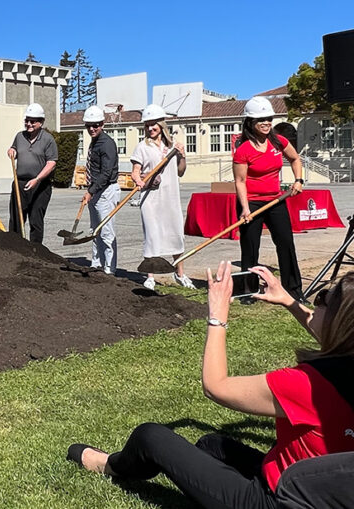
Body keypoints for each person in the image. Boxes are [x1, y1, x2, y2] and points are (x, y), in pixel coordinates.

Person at [66, 262, 354, 508]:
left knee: (150, 436)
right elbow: (339, 340)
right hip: (320, 492)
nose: (316, 303)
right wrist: (289, 302)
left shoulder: (305, 385)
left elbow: (215, 386)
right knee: (210, 445)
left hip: (275, 499)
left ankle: (111, 466)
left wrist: (217, 315)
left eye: (324, 300)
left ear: (340, 323)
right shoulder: (343, 367)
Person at [233, 96, 304, 299]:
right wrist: (245, 209)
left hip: (276, 201)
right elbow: (240, 181)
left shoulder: (278, 141)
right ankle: (247, 291)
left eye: (268, 118)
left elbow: (295, 158)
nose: (265, 123)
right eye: (260, 119)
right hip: (252, 202)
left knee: (285, 243)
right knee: (250, 246)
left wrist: (298, 179)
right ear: (250, 122)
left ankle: (293, 289)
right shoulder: (243, 149)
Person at [130, 104, 194, 290]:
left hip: (170, 197)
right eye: (147, 125)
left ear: (161, 125)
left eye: (154, 124)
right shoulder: (142, 147)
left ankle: (179, 273)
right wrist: (138, 181)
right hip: (150, 198)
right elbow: (135, 171)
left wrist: (182, 156)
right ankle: (150, 276)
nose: (151, 128)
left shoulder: (173, 146)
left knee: (175, 234)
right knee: (152, 234)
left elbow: (181, 171)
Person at [7, 103, 58, 243]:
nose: (29, 124)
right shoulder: (20, 136)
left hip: (40, 185)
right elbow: (14, 149)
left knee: (36, 219)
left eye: (33, 121)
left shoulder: (48, 139)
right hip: (20, 183)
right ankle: (15, 248)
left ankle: (35, 251)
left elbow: (51, 163)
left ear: (41, 122)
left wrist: (37, 179)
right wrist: (12, 151)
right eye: (27, 120)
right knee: (16, 219)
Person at [81, 105, 119, 274]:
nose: (92, 128)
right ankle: (97, 264)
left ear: (102, 124)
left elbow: (106, 173)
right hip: (96, 190)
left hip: (106, 190)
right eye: (88, 125)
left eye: (95, 125)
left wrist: (91, 190)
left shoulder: (107, 144)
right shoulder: (95, 142)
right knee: (95, 230)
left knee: (106, 232)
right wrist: (91, 190)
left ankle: (110, 269)